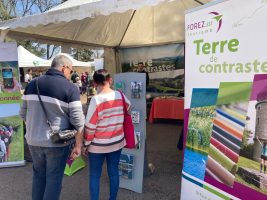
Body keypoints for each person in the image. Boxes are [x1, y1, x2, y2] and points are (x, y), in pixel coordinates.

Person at [19, 54, 85, 200]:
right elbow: (79, 121)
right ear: (64, 68)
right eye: (71, 71)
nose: (71, 74)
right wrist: (78, 146)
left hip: (33, 141)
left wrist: (35, 127)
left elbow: (22, 113)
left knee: (38, 177)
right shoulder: (70, 88)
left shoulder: (32, 84)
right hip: (57, 143)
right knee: (54, 179)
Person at [83, 69, 131, 200]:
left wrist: (85, 144)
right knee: (114, 173)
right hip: (117, 142)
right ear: (110, 80)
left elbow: (90, 126)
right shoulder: (120, 96)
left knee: (94, 175)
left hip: (97, 146)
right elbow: (129, 107)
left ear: (95, 83)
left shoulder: (96, 100)